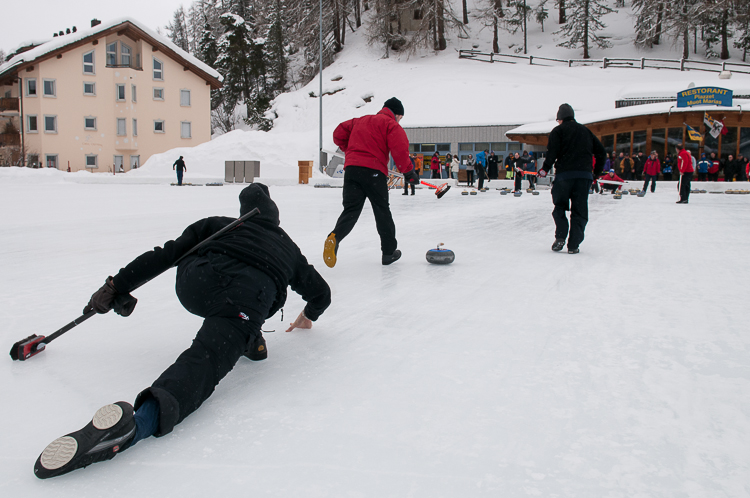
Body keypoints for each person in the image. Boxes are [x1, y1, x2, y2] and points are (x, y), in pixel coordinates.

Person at [33, 184, 332, 479]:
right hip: (247, 297)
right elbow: (322, 293)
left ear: (244, 211)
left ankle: (250, 339)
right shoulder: (289, 248)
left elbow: (166, 255)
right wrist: (308, 315)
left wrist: (116, 286)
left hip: (197, 281)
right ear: (275, 218)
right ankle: (140, 424)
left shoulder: (218, 224)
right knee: (207, 358)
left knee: (201, 275)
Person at [323, 97, 418, 268]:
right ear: (396, 114)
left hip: (352, 170)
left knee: (351, 209)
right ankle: (388, 253)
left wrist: (352, 151)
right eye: (400, 117)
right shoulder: (390, 125)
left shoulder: (359, 121)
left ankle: (335, 237)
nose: (400, 120)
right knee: (382, 211)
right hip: (374, 172)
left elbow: (338, 134)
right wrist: (409, 172)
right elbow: (399, 149)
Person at [539, 104, 605, 254]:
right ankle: (574, 245)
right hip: (584, 177)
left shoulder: (558, 131)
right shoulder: (586, 131)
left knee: (560, 206)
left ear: (560, 118)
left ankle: (561, 236)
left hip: (564, 176)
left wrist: (545, 169)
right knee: (580, 210)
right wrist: (596, 173)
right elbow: (601, 152)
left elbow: (552, 152)